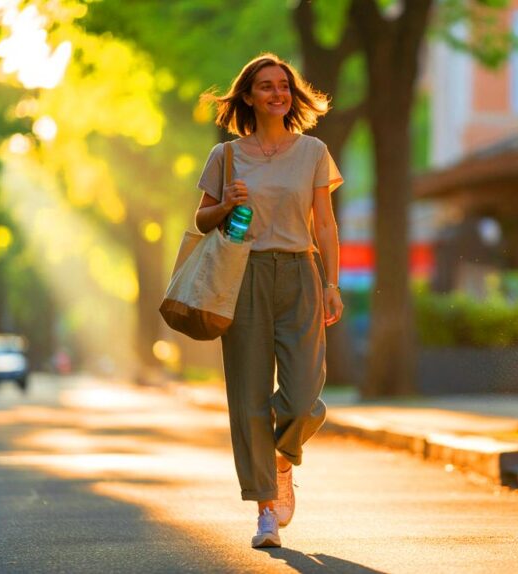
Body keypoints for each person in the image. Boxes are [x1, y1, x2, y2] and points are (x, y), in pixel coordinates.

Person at [194, 53, 344, 548]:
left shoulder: (314, 151)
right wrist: (227, 204)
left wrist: (331, 282)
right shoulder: (227, 157)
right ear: (249, 97)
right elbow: (201, 220)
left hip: (301, 271)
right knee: (249, 397)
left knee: (304, 398)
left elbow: (324, 221)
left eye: (284, 85)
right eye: (265, 86)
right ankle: (265, 512)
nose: (277, 93)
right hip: (244, 275)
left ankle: (281, 459)